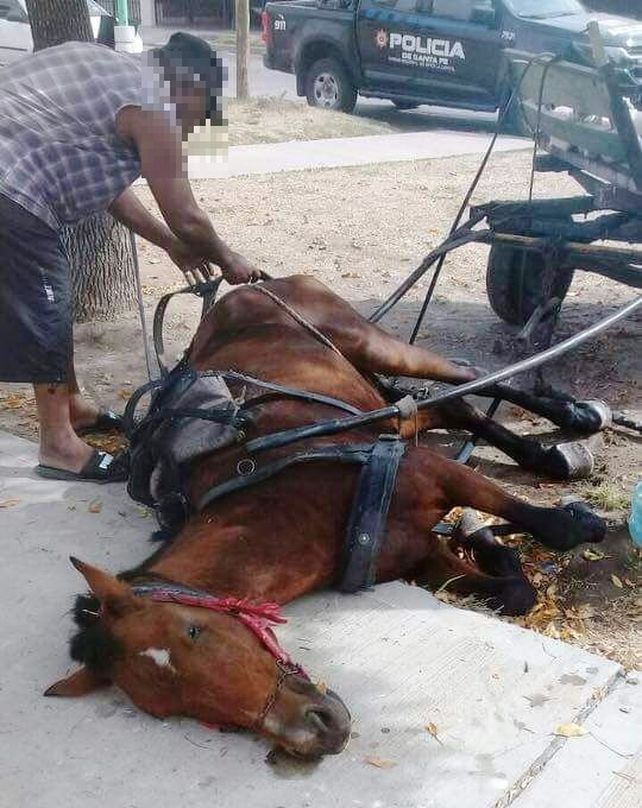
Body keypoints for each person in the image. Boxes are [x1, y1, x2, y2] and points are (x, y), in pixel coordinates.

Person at [0, 33, 260, 482]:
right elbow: (186, 214)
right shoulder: (153, 102)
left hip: (14, 179)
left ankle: (74, 405)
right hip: (12, 186)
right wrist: (228, 258)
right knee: (48, 305)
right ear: (191, 87)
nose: (192, 129)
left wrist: (169, 245)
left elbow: (112, 191)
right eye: (199, 115)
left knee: (55, 302)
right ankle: (58, 444)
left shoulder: (114, 72)